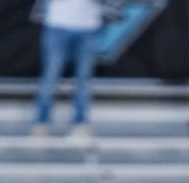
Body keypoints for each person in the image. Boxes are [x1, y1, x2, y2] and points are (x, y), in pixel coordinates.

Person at [30, 0, 123, 137]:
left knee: (84, 78)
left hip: (88, 28)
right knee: (50, 76)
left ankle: (81, 122)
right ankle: (41, 122)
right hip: (58, 25)